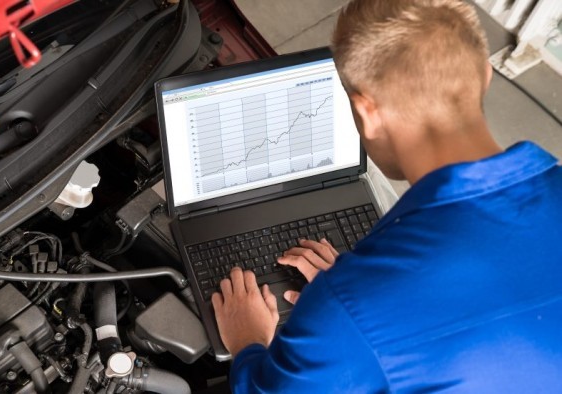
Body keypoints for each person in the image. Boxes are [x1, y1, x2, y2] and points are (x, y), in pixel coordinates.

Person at [211, 0, 562, 392]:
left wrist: (248, 343)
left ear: (368, 112)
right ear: (484, 74)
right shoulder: (356, 301)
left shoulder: (351, 305)